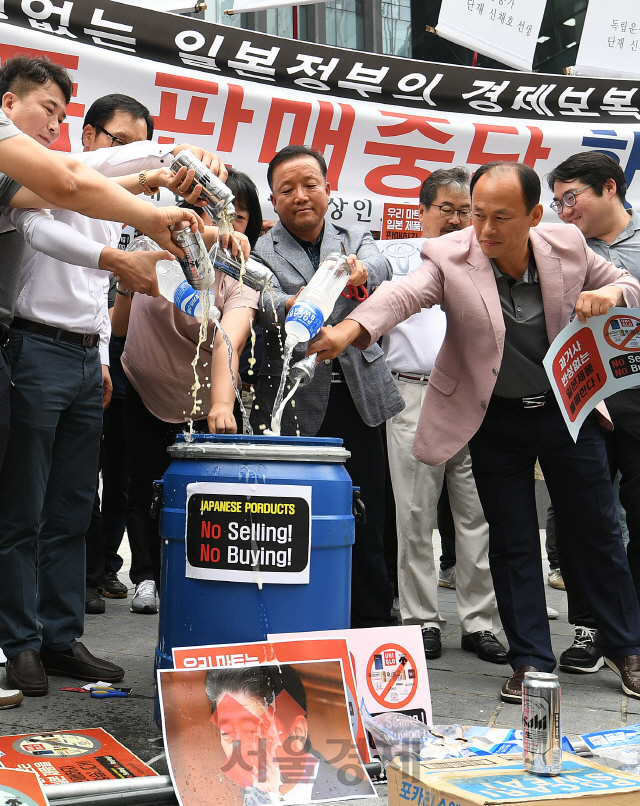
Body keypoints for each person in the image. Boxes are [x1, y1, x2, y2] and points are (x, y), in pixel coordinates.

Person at [308, 161, 640, 702]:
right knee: (510, 541)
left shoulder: (569, 248)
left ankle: (629, 648)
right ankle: (531, 659)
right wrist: (350, 329)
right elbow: (403, 295)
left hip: (565, 412)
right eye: (477, 215)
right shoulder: (451, 255)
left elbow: (627, 283)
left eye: (500, 218)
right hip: (494, 419)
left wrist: (612, 296)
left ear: (534, 216)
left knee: (597, 531)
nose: (484, 230)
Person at [0, 73, 221, 697]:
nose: (51, 123)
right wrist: (161, 159)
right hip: (31, 345)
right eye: (47, 109)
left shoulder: (95, 187)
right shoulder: (41, 174)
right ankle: (17, 642)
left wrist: (100, 350)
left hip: (80, 357)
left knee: (74, 506)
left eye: (57, 114)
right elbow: (51, 213)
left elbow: (97, 201)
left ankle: (59, 635)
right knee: (23, 506)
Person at [250, 145, 404, 628]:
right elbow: (256, 302)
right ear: (273, 201)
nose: (300, 196)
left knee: (370, 513)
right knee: (302, 516)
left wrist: (359, 269)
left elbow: (383, 268)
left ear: (328, 189)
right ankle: (308, 620)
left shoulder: (354, 235)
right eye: (287, 189)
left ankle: (373, 624)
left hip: (360, 395)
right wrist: (294, 301)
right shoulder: (260, 250)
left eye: (309, 184)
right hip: (298, 399)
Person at [119, 174, 260, 606]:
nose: (219, 229)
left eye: (234, 219)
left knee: (202, 510)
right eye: (205, 215)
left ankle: (202, 600)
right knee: (148, 497)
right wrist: (127, 282)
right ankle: (156, 585)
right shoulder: (154, 253)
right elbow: (120, 326)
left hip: (202, 407)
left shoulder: (242, 279)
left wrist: (220, 403)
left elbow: (226, 341)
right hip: (141, 390)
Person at [384, 168, 505, 663]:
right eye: (447, 210)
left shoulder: (491, 260)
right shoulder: (394, 258)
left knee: (478, 516)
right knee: (413, 514)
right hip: (413, 394)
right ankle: (419, 620)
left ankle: (481, 623)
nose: (458, 220)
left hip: (477, 400)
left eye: (465, 211)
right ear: (422, 211)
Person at [546, 151, 640, 674]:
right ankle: (588, 629)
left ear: (609, 188)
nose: (563, 210)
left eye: (571, 197)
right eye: (557, 201)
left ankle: (631, 634)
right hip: (584, 399)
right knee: (583, 516)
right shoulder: (562, 247)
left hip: (639, 399)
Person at [205, 665, 373, 801]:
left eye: (252, 730)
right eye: (227, 733)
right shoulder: (244, 793)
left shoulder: (354, 796)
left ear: (297, 732)